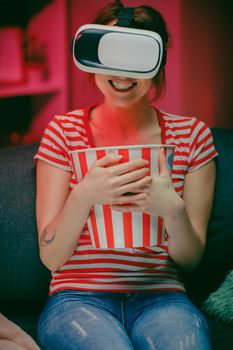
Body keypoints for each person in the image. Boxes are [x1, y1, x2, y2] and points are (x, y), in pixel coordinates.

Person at [35, 1, 217, 349]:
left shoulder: (193, 136)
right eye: (112, 54)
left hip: (163, 298)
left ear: (158, 62)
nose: (122, 74)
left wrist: (171, 209)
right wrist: (84, 195)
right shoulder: (63, 131)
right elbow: (51, 257)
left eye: (135, 57)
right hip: (77, 299)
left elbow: (190, 261)